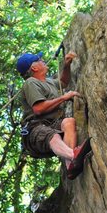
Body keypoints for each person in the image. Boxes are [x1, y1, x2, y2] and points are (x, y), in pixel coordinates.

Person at [16, 51, 91, 180]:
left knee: (69, 122)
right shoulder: (31, 83)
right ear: (34, 67)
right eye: (39, 60)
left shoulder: (48, 82)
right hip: (35, 128)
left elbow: (63, 82)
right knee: (52, 135)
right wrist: (64, 97)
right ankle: (73, 155)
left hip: (51, 124)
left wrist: (67, 65)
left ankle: (71, 167)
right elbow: (39, 109)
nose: (43, 60)